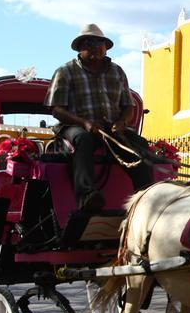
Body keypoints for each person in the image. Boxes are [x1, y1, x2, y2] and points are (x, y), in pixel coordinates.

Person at [45, 23, 154, 212]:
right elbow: (56, 109)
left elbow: (128, 106)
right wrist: (84, 123)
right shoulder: (65, 72)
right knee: (83, 139)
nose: (96, 47)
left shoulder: (117, 72)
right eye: (90, 43)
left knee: (139, 145)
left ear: (106, 47)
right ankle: (86, 195)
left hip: (110, 128)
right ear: (80, 48)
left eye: (100, 43)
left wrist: (121, 123)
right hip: (75, 125)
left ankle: (145, 196)